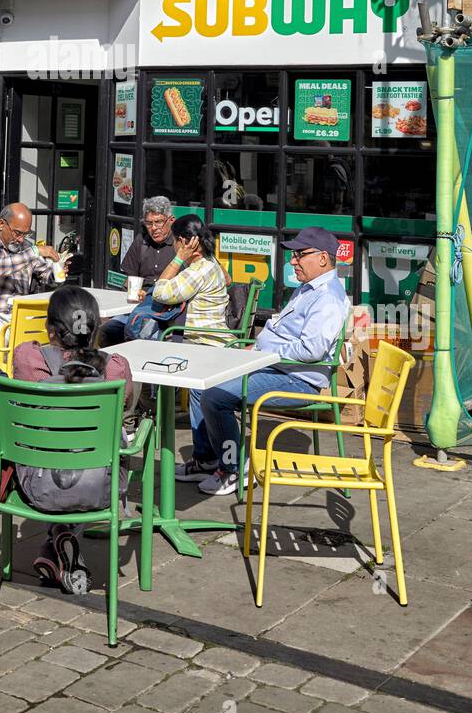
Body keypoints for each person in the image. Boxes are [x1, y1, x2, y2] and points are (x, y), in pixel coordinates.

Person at [190, 227, 349, 497]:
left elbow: (311, 350)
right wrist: (259, 348)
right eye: (294, 255)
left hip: (298, 379)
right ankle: (208, 459)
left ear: (323, 258)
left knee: (214, 396)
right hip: (276, 365)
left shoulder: (328, 298)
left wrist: (266, 350)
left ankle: (235, 469)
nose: (293, 261)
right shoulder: (308, 289)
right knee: (200, 381)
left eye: (300, 255)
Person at [13, 285, 133, 595]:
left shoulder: (28, 359)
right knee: (95, 454)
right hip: (100, 488)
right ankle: (61, 539)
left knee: (49, 449)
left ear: (50, 328)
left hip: (38, 485)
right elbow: (127, 409)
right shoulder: (115, 368)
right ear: (96, 328)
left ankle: (58, 537)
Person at [148, 216, 231, 481]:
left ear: (185, 242)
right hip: (208, 342)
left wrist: (177, 260)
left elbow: (160, 293)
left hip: (205, 344)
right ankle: (204, 457)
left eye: (175, 241)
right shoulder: (209, 263)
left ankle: (207, 458)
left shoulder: (198, 270)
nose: (172, 245)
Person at [0, 203, 60, 347]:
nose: (21, 239)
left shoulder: (26, 248)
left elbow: (47, 276)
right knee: (0, 335)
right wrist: (34, 252)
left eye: (26, 234)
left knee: (50, 335)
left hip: (19, 315)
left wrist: (58, 270)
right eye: (17, 233)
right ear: (2, 224)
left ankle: (31, 369)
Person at [99, 196, 176, 345]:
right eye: (149, 223)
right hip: (138, 307)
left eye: (159, 222)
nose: (153, 228)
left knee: (145, 331)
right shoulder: (142, 241)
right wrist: (134, 291)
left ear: (170, 220)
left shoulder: (179, 244)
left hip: (168, 311)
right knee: (106, 331)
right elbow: (129, 279)